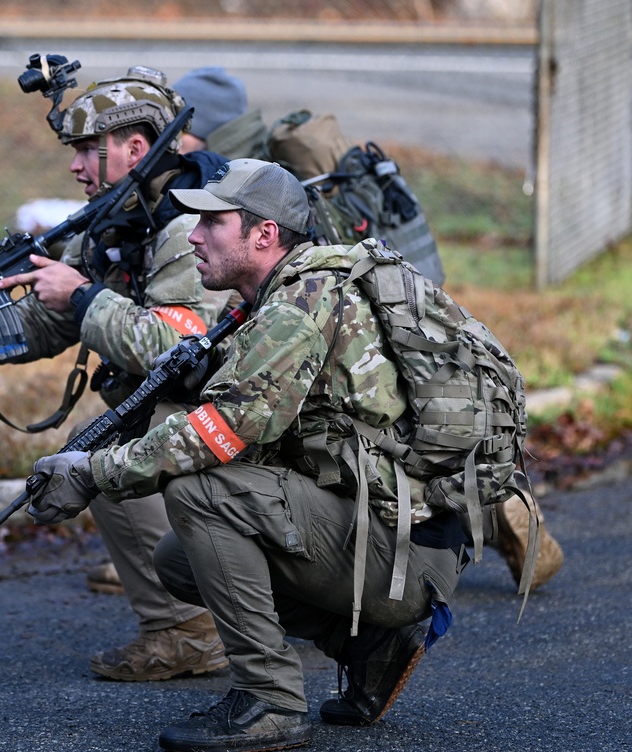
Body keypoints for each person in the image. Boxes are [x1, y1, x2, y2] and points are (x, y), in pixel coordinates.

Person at [25, 159, 473, 751]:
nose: (193, 236)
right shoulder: (284, 296)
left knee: (201, 494)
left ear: (264, 234)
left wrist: (95, 472)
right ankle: (364, 645)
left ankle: (269, 701)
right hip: (399, 543)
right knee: (180, 558)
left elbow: (219, 432)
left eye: (213, 222)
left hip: (402, 558)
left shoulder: (295, 309)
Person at [168, 65, 564, 593]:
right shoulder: (236, 172)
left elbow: (250, 408)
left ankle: (485, 508)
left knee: (344, 437)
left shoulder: (250, 183)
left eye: (181, 131)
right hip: (367, 374)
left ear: (205, 129)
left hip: (364, 398)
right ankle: (478, 503)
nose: (173, 145)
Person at [0, 65, 236, 683]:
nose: (75, 165)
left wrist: (82, 297)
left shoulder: (190, 225)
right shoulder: (125, 214)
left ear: (136, 148)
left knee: (104, 457)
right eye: (73, 150)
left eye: (87, 149)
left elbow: (179, 347)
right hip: (214, 402)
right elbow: (51, 318)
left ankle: (188, 633)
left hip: (250, 408)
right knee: (104, 443)